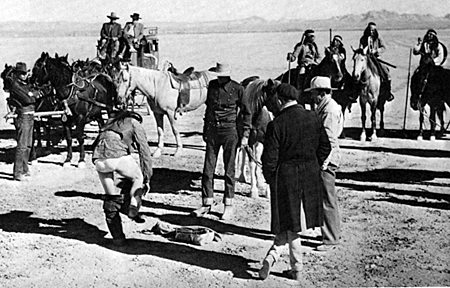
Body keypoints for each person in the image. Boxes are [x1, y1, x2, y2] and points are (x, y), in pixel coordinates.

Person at [258, 83, 331, 281]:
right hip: (309, 175)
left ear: (280, 100)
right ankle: (277, 259)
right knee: (293, 223)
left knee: (291, 224)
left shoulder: (277, 124)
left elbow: (269, 159)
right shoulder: (313, 117)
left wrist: (271, 178)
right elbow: (325, 146)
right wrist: (314, 164)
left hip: (285, 178)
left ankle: (293, 265)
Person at [191, 63, 251, 220]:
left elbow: (247, 113)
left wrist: (245, 135)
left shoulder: (238, 89)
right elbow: (208, 109)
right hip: (212, 132)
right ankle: (206, 203)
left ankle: (228, 205)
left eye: (222, 75)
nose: (220, 78)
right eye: (218, 75)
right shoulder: (212, 86)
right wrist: (205, 130)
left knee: (229, 171)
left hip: (230, 132)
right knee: (207, 170)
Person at [92, 110, 152, 246]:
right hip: (116, 153)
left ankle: (118, 238)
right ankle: (133, 208)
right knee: (137, 177)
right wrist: (147, 178)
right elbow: (144, 152)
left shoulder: (109, 123)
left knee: (111, 198)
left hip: (98, 159)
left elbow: (96, 143)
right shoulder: (134, 123)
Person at [306, 76, 343, 252]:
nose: (312, 97)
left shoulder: (328, 111)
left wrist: (322, 163)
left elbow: (329, 140)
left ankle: (330, 239)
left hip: (326, 160)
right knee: (326, 198)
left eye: (313, 93)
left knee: (326, 199)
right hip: (327, 158)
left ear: (321, 94)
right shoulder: (328, 106)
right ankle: (329, 233)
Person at [6, 63, 41, 181]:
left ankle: (25, 169)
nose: (25, 75)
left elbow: (36, 95)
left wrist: (32, 95)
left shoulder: (25, 85)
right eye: (22, 73)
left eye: (26, 73)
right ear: (17, 74)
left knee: (29, 144)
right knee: (22, 145)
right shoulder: (15, 86)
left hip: (31, 116)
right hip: (23, 117)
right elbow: (27, 99)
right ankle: (17, 173)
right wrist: (31, 96)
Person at [359, 22, 394, 102]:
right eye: (370, 30)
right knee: (357, 73)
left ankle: (388, 93)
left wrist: (376, 51)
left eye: (373, 30)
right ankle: (356, 93)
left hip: (376, 59)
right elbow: (361, 48)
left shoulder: (378, 38)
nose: (372, 32)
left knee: (386, 73)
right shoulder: (363, 38)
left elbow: (383, 47)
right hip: (366, 59)